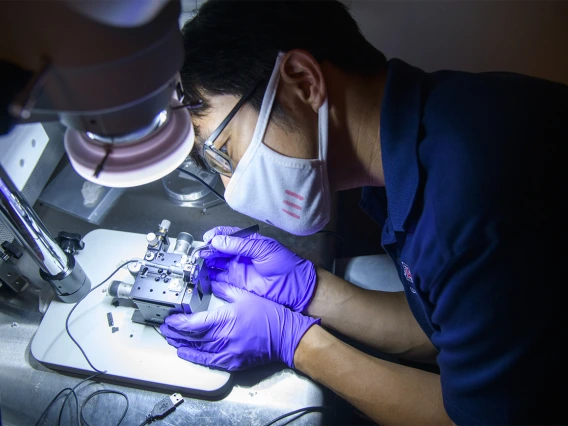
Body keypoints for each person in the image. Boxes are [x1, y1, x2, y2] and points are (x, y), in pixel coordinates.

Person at [159, 1, 567, 424]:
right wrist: (308, 290)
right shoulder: (417, 134)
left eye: (224, 153)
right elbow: (447, 328)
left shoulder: (472, 200)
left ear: (302, 81)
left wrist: (295, 343)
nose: (231, 190)